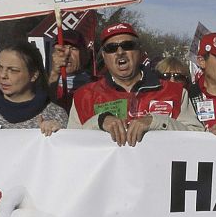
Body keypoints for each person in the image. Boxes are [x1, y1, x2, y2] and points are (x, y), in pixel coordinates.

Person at [68, 23, 201, 144]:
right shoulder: (84, 96)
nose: (120, 52)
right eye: (111, 48)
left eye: (128, 46)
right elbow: (70, 144)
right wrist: (99, 121)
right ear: (103, 55)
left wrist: (156, 122)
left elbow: (198, 137)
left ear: (140, 51)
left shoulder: (175, 92)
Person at [0, 43, 67, 131]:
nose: (3, 75)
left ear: (34, 75)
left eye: (13, 70)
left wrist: (56, 134)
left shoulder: (56, 115)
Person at [49, 30, 93, 105]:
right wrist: (54, 74)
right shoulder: (37, 86)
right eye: (61, 49)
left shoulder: (99, 84)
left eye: (73, 48)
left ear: (85, 53)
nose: (66, 54)